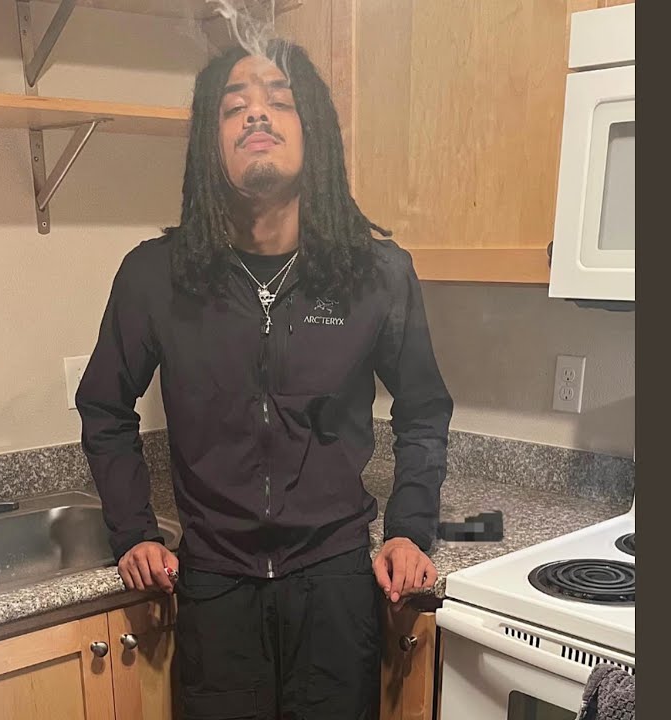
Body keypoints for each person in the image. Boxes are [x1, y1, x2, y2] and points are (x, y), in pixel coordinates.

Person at [76, 39, 452, 720]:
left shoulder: (377, 274)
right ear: (210, 145)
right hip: (215, 588)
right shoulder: (155, 276)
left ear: (314, 131)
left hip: (336, 586)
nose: (256, 114)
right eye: (233, 108)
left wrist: (408, 530)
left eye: (279, 100)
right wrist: (134, 531)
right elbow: (104, 407)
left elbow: (423, 409)